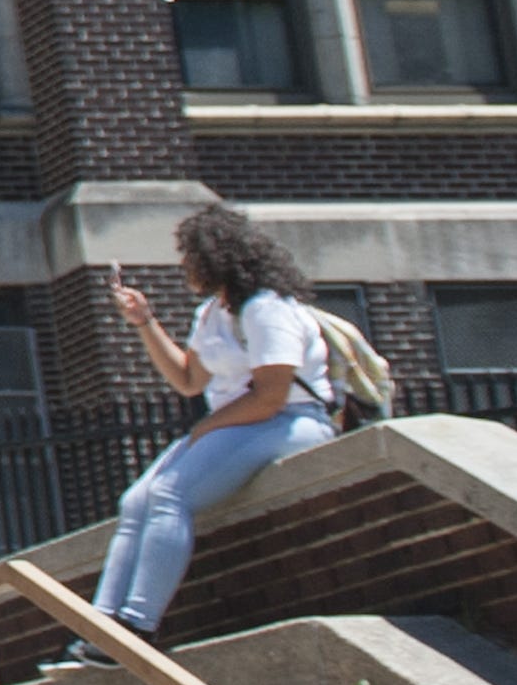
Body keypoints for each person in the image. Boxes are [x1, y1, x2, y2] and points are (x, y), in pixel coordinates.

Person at [87, 207, 339, 637]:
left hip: (292, 421)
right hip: (242, 423)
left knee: (169, 493)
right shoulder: (212, 314)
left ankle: (138, 624)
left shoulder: (265, 309)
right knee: (135, 502)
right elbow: (188, 379)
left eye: (189, 257)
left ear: (215, 258)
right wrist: (144, 323)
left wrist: (205, 428)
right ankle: (98, 627)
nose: (184, 266)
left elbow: (271, 396)